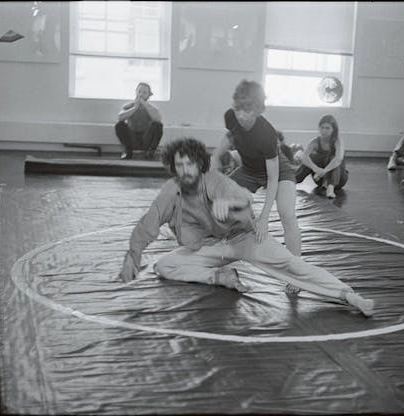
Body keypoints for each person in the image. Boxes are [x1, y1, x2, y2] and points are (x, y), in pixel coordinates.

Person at [118, 137, 374, 316]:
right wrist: (133, 253)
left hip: (244, 238)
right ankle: (220, 277)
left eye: (190, 164)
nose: (185, 170)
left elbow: (244, 198)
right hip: (211, 246)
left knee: (291, 264)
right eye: (179, 165)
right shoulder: (171, 190)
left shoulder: (214, 180)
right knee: (164, 265)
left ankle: (347, 295)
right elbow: (149, 222)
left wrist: (227, 203)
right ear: (172, 167)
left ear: (199, 164)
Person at [211, 80, 301, 257]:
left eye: (248, 111)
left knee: (287, 213)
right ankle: (229, 239)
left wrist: (264, 218)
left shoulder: (266, 133)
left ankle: (297, 269)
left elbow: (272, 178)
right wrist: (215, 155)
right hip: (249, 169)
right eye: (238, 109)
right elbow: (231, 135)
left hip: (278, 172)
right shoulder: (231, 116)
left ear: (259, 110)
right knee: (218, 196)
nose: (241, 116)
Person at [295, 115, 349, 199]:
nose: (324, 131)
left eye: (327, 128)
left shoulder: (337, 141)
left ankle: (330, 188)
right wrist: (315, 168)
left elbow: (338, 159)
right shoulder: (315, 141)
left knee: (333, 158)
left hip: (338, 180)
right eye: (322, 128)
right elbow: (304, 157)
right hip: (320, 179)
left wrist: (324, 171)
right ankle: (292, 180)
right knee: (311, 157)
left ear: (333, 129)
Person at [115, 82, 163, 160]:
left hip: (146, 139)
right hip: (131, 138)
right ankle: (128, 152)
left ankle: (150, 152)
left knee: (157, 125)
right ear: (136, 92)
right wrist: (135, 108)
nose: (141, 94)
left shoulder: (152, 108)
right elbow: (120, 117)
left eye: (144, 92)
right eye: (139, 91)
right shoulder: (128, 106)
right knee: (119, 124)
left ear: (149, 95)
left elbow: (158, 120)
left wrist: (145, 105)